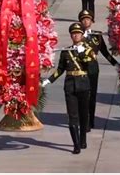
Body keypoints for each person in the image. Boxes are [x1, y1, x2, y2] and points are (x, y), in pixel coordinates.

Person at [41, 23, 94, 154]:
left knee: (83, 115)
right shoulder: (66, 51)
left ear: (82, 35)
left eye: (78, 33)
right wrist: (49, 80)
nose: (76, 35)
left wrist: (82, 54)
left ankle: (83, 139)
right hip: (70, 86)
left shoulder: (88, 50)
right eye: (73, 34)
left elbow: (90, 67)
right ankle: (76, 144)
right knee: (72, 115)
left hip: (83, 84)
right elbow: (60, 70)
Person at [78, 10, 119, 131]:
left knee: (92, 95)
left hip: (92, 69)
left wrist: (117, 65)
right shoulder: (77, 34)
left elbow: (105, 53)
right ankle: (84, 120)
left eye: (88, 19)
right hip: (81, 69)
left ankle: (91, 120)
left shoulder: (97, 36)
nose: (86, 21)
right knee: (82, 96)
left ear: (91, 21)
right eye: (83, 19)